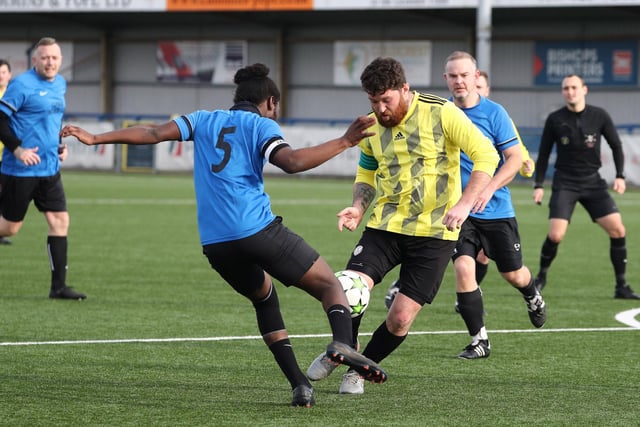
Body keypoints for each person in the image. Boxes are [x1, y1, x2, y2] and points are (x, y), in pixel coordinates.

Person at [60, 63, 388, 407]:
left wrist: (95, 138)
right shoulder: (260, 124)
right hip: (256, 229)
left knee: (264, 299)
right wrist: (345, 141)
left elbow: (154, 134)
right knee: (329, 286)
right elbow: (290, 161)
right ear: (271, 101)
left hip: (216, 244)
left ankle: (300, 385)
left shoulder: (203, 119)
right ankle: (341, 343)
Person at [306, 56, 499, 394]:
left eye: (386, 100)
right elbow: (367, 167)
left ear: (405, 90)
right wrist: (357, 206)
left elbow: (487, 155)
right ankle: (342, 352)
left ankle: (359, 368)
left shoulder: (441, 113)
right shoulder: (370, 125)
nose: (380, 109)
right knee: (351, 287)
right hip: (386, 225)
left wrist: (465, 204)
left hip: (436, 233)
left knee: (400, 319)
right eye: (373, 101)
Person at [443, 51, 546, 361]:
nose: (459, 81)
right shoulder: (442, 113)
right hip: (459, 210)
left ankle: (531, 294)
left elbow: (515, 158)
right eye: (453, 76)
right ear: (445, 80)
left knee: (513, 274)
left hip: (496, 210)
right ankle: (479, 340)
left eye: (464, 75)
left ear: (477, 78)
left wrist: (488, 188)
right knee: (464, 266)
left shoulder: (495, 113)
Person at [532, 74, 638, 300]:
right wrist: (539, 184)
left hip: (592, 182)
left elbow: (616, 145)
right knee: (556, 235)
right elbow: (543, 154)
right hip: (565, 182)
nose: (570, 91)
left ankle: (621, 286)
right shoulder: (555, 119)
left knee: (618, 230)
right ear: (563, 92)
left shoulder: (599, 116)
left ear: (584, 89)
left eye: (574, 87)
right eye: (566, 88)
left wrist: (620, 175)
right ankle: (540, 277)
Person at [0, 37, 86, 299]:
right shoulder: (21, 85)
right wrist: (18, 149)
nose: (50, 62)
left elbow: (52, 120)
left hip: (49, 169)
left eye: (54, 58)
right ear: (35, 60)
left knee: (60, 221)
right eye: (45, 58)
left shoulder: (60, 83)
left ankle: (58, 287)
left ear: (60, 61)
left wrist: (59, 146)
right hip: (20, 169)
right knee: (9, 228)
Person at [0, 58, 12, 245]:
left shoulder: (14, 94)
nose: (0, 76)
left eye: (3, 72)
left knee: (5, 193)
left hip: (9, 154)